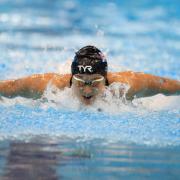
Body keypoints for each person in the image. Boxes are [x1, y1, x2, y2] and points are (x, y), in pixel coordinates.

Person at [0, 45, 179, 105]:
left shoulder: (126, 86)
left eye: (95, 82)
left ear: (106, 78)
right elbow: (12, 86)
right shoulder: (51, 87)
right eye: (80, 81)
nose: (87, 89)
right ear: (71, 77)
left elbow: (162, 83)